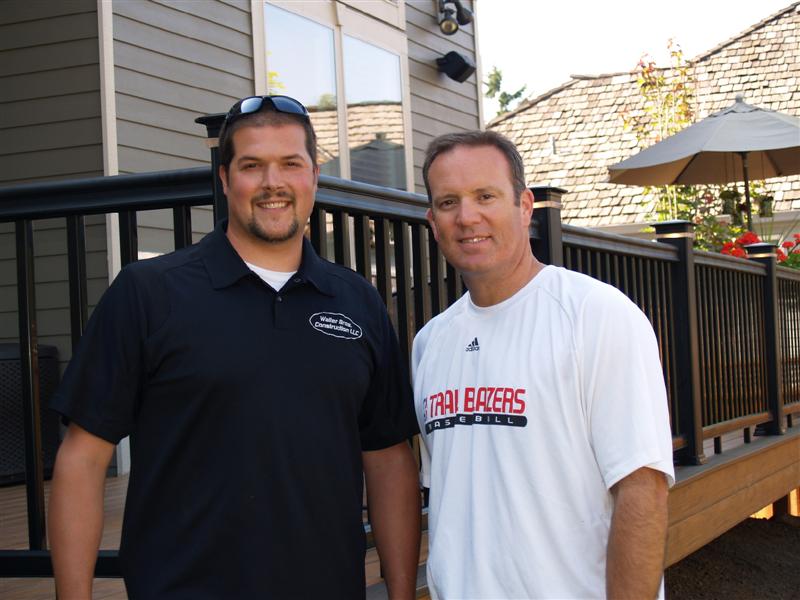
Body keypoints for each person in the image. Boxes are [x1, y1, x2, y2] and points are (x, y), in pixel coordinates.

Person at [48, 95, 420, 599]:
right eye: (252, 165)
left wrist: (401, 594)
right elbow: (83, 460)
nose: (273, 182)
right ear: (225, 180)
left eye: (291, 164)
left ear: (314, 177)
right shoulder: (149, 293)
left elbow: (388, 460)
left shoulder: (358, 301)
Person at [413, 130, 674, 599]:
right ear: (433, 222)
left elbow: (642, 491)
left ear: (525, 206)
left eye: (485, 196)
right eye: (449, 202)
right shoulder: (430, 343)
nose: (467, 216)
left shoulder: (595, 316)